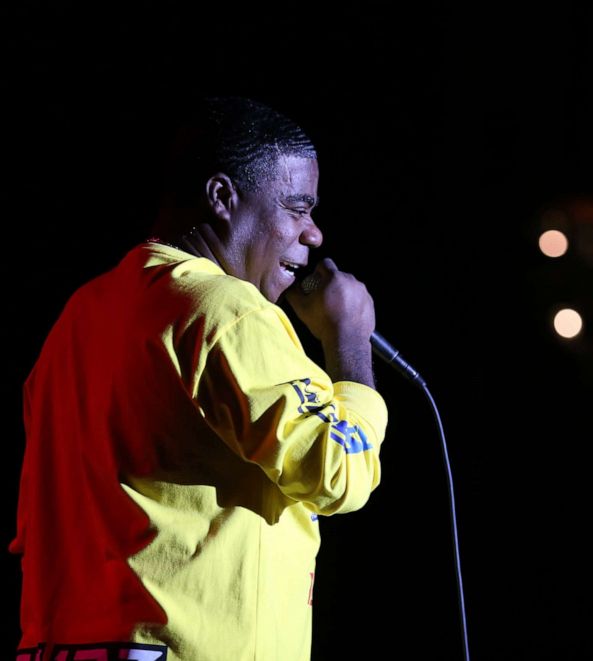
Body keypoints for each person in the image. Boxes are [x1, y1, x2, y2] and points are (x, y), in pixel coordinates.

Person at [10, 97, 388, 661]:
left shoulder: (83, 313)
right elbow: (340, 468)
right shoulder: (225, 311)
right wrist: (349, 341)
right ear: (221, 198)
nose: (313, 235)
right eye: (296, 208)